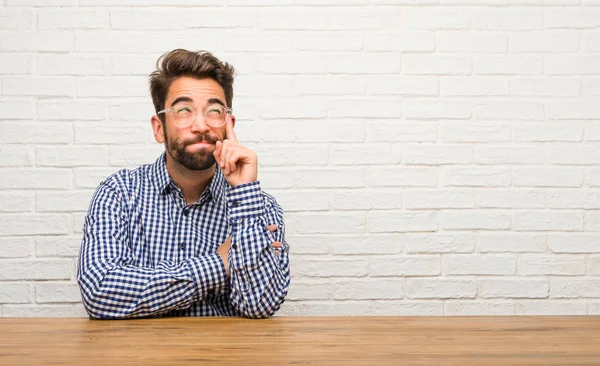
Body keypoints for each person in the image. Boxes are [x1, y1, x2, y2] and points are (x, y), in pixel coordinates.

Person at [77, 49, 290, 319]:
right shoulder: (118, 194)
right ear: (159, 128)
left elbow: (259, 306)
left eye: (214, 111)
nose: (201, 125)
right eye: (184, 110)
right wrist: (219, 264)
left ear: (229, 124)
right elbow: (99, 294)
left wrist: (244, 195)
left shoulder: (260, 207)